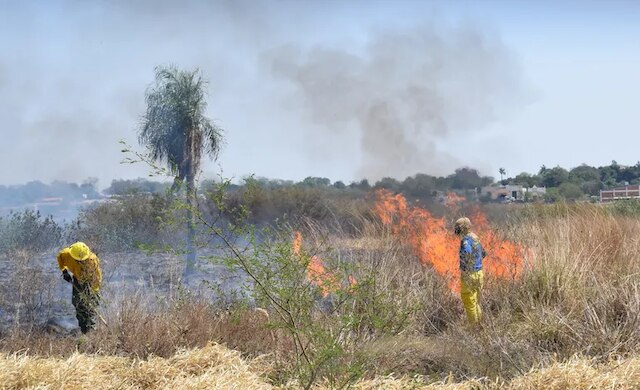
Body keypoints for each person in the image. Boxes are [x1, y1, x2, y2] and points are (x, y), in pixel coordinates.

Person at [57, 242, 102, 334]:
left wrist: (94, 292)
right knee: (77, 303)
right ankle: (83, 328)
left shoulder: (92, 260)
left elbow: (97, 278)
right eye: (77, 260)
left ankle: (91, 330)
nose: (80, 262)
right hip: (77, 279)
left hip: (90, 282)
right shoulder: (66, 254)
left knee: (90, 306)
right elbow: (60, 259)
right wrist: (64, 271)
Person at [454, 217, 486, 324]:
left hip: (470, 275)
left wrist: (464, 269)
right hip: (479, 273)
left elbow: (466, 253)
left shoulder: (465, 241)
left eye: (457, 227)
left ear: (462, 228)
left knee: (469, 302)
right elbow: (484, 254)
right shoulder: (476, 238)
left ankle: (474, 329)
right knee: (476, 302)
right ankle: (479, 324)